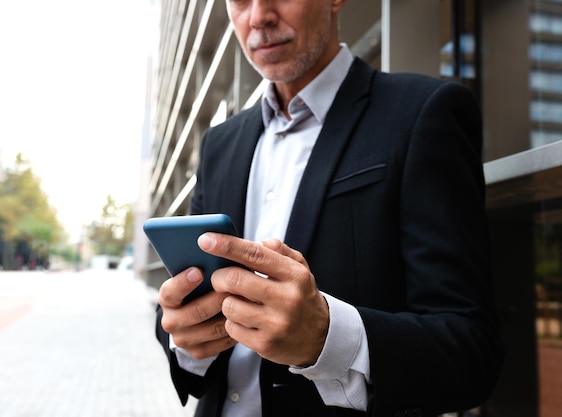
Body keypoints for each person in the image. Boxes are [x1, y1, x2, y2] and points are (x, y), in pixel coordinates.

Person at [155, 0, 504, 416]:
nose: (259, 15)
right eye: (241, 0)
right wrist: (185, 337)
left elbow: (471, 351)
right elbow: (184, 312)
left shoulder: (424, 113)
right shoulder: (218, 144)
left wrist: (327, 337)